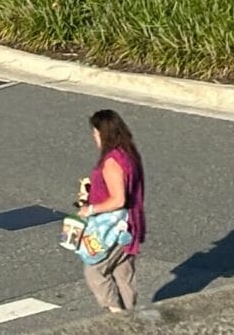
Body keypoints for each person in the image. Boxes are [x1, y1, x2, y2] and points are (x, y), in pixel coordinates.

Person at [76, 108, 145, 314]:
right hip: (131, 224)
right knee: (123, 272)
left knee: (95, 270)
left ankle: (117, 316)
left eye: (95, 133)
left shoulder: (112, 162)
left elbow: (118, 199)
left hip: (114, 227)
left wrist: (90, 208)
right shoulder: (129, 154)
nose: (94, 137)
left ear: (102, 134)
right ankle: (131, 317)